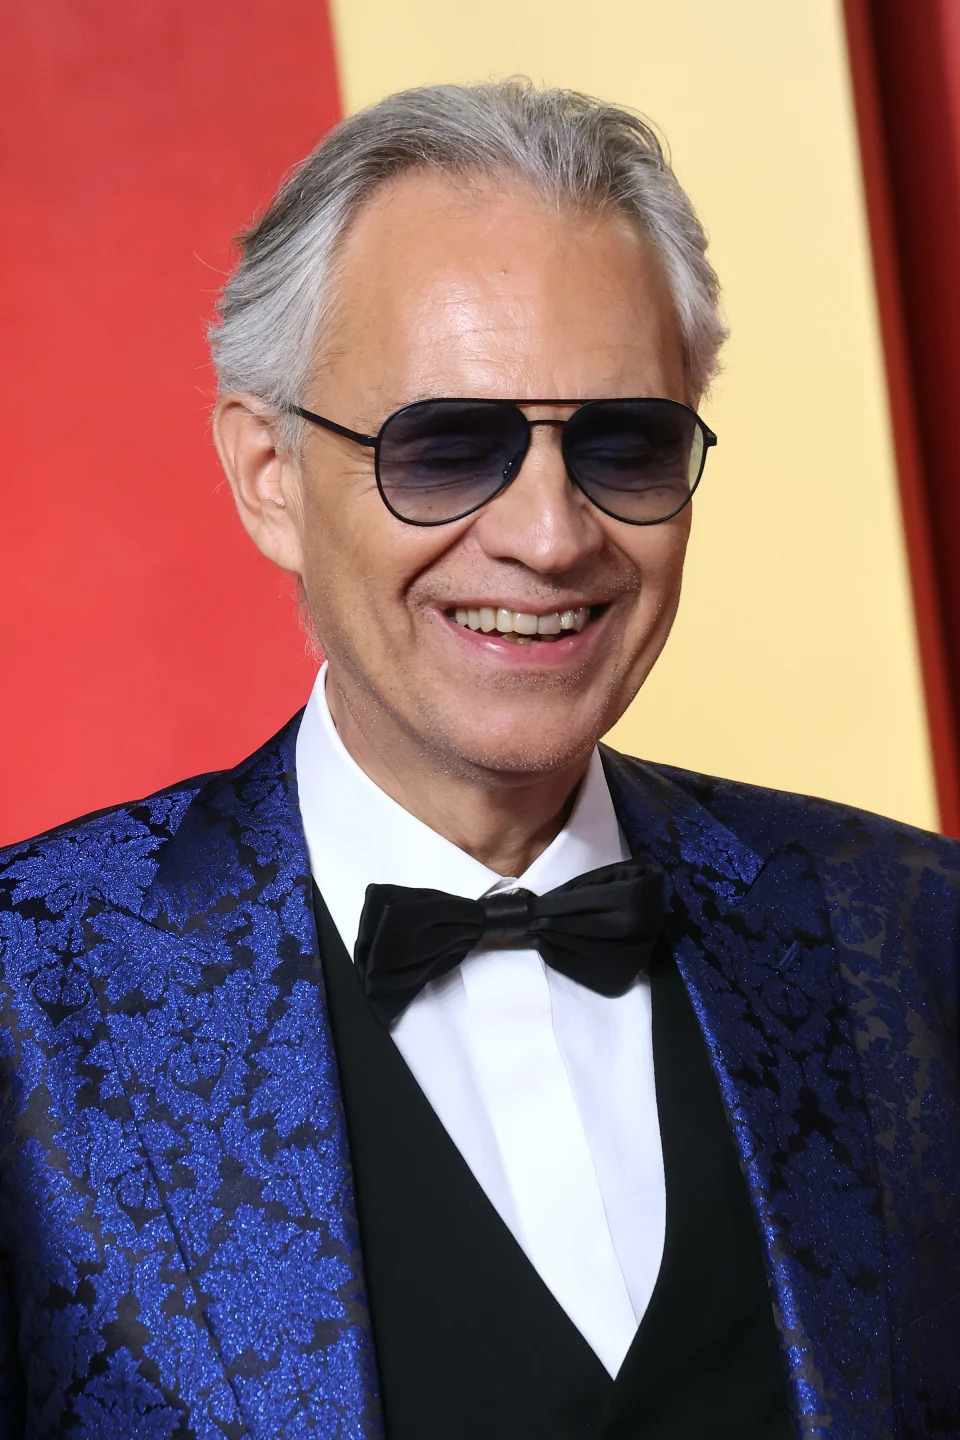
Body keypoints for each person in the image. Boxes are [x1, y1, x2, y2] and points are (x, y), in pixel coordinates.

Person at [0, 79, 957, 1440]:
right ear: (269, 474)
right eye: (447, 451)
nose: (552, 535)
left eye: (624, 444)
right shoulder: (27, 997)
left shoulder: (915, 937)